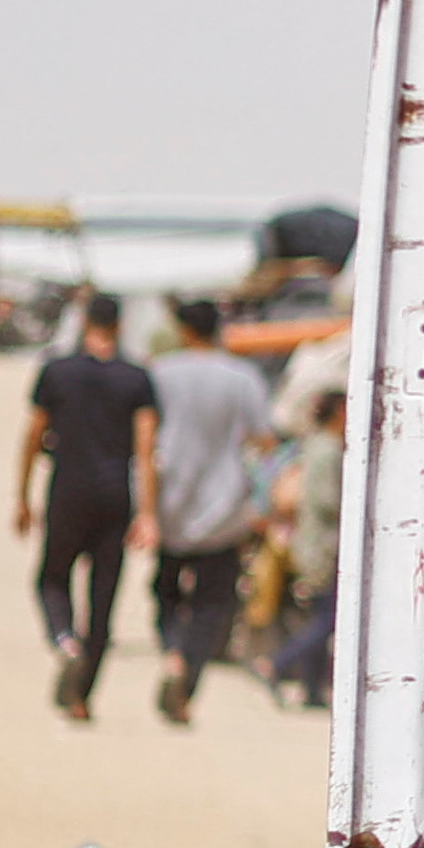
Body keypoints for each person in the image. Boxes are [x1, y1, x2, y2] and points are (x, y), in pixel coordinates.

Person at [14, 295, 159, 722]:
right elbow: (146, 450)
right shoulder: (136, 378)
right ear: (120, 324)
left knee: (51, 579)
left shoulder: (56, 371)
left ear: (82, 321)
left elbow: (32, 436)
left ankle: (64, 641)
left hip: (68, 489)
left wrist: (22, 497)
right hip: (116, 495)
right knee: (103, 599)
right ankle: (81, 698)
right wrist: (148, 513)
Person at [143, 293, 279, 725]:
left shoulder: (160, 374)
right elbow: (265, 439)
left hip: (170, 499)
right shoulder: (242, 377)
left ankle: (171, 654)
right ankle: (189, 674)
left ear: (183, 330)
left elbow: (144, 439)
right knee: (212, 604)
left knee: (165, 590)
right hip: (225, 505)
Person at [271, 386, 350, 711]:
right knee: (328, 620)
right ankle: (277, 663)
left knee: (321, 614)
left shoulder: (315, 446)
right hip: (322, 547)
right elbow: (328, 500)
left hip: (312, 544)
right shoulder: (329, 451)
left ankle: (312, 689)